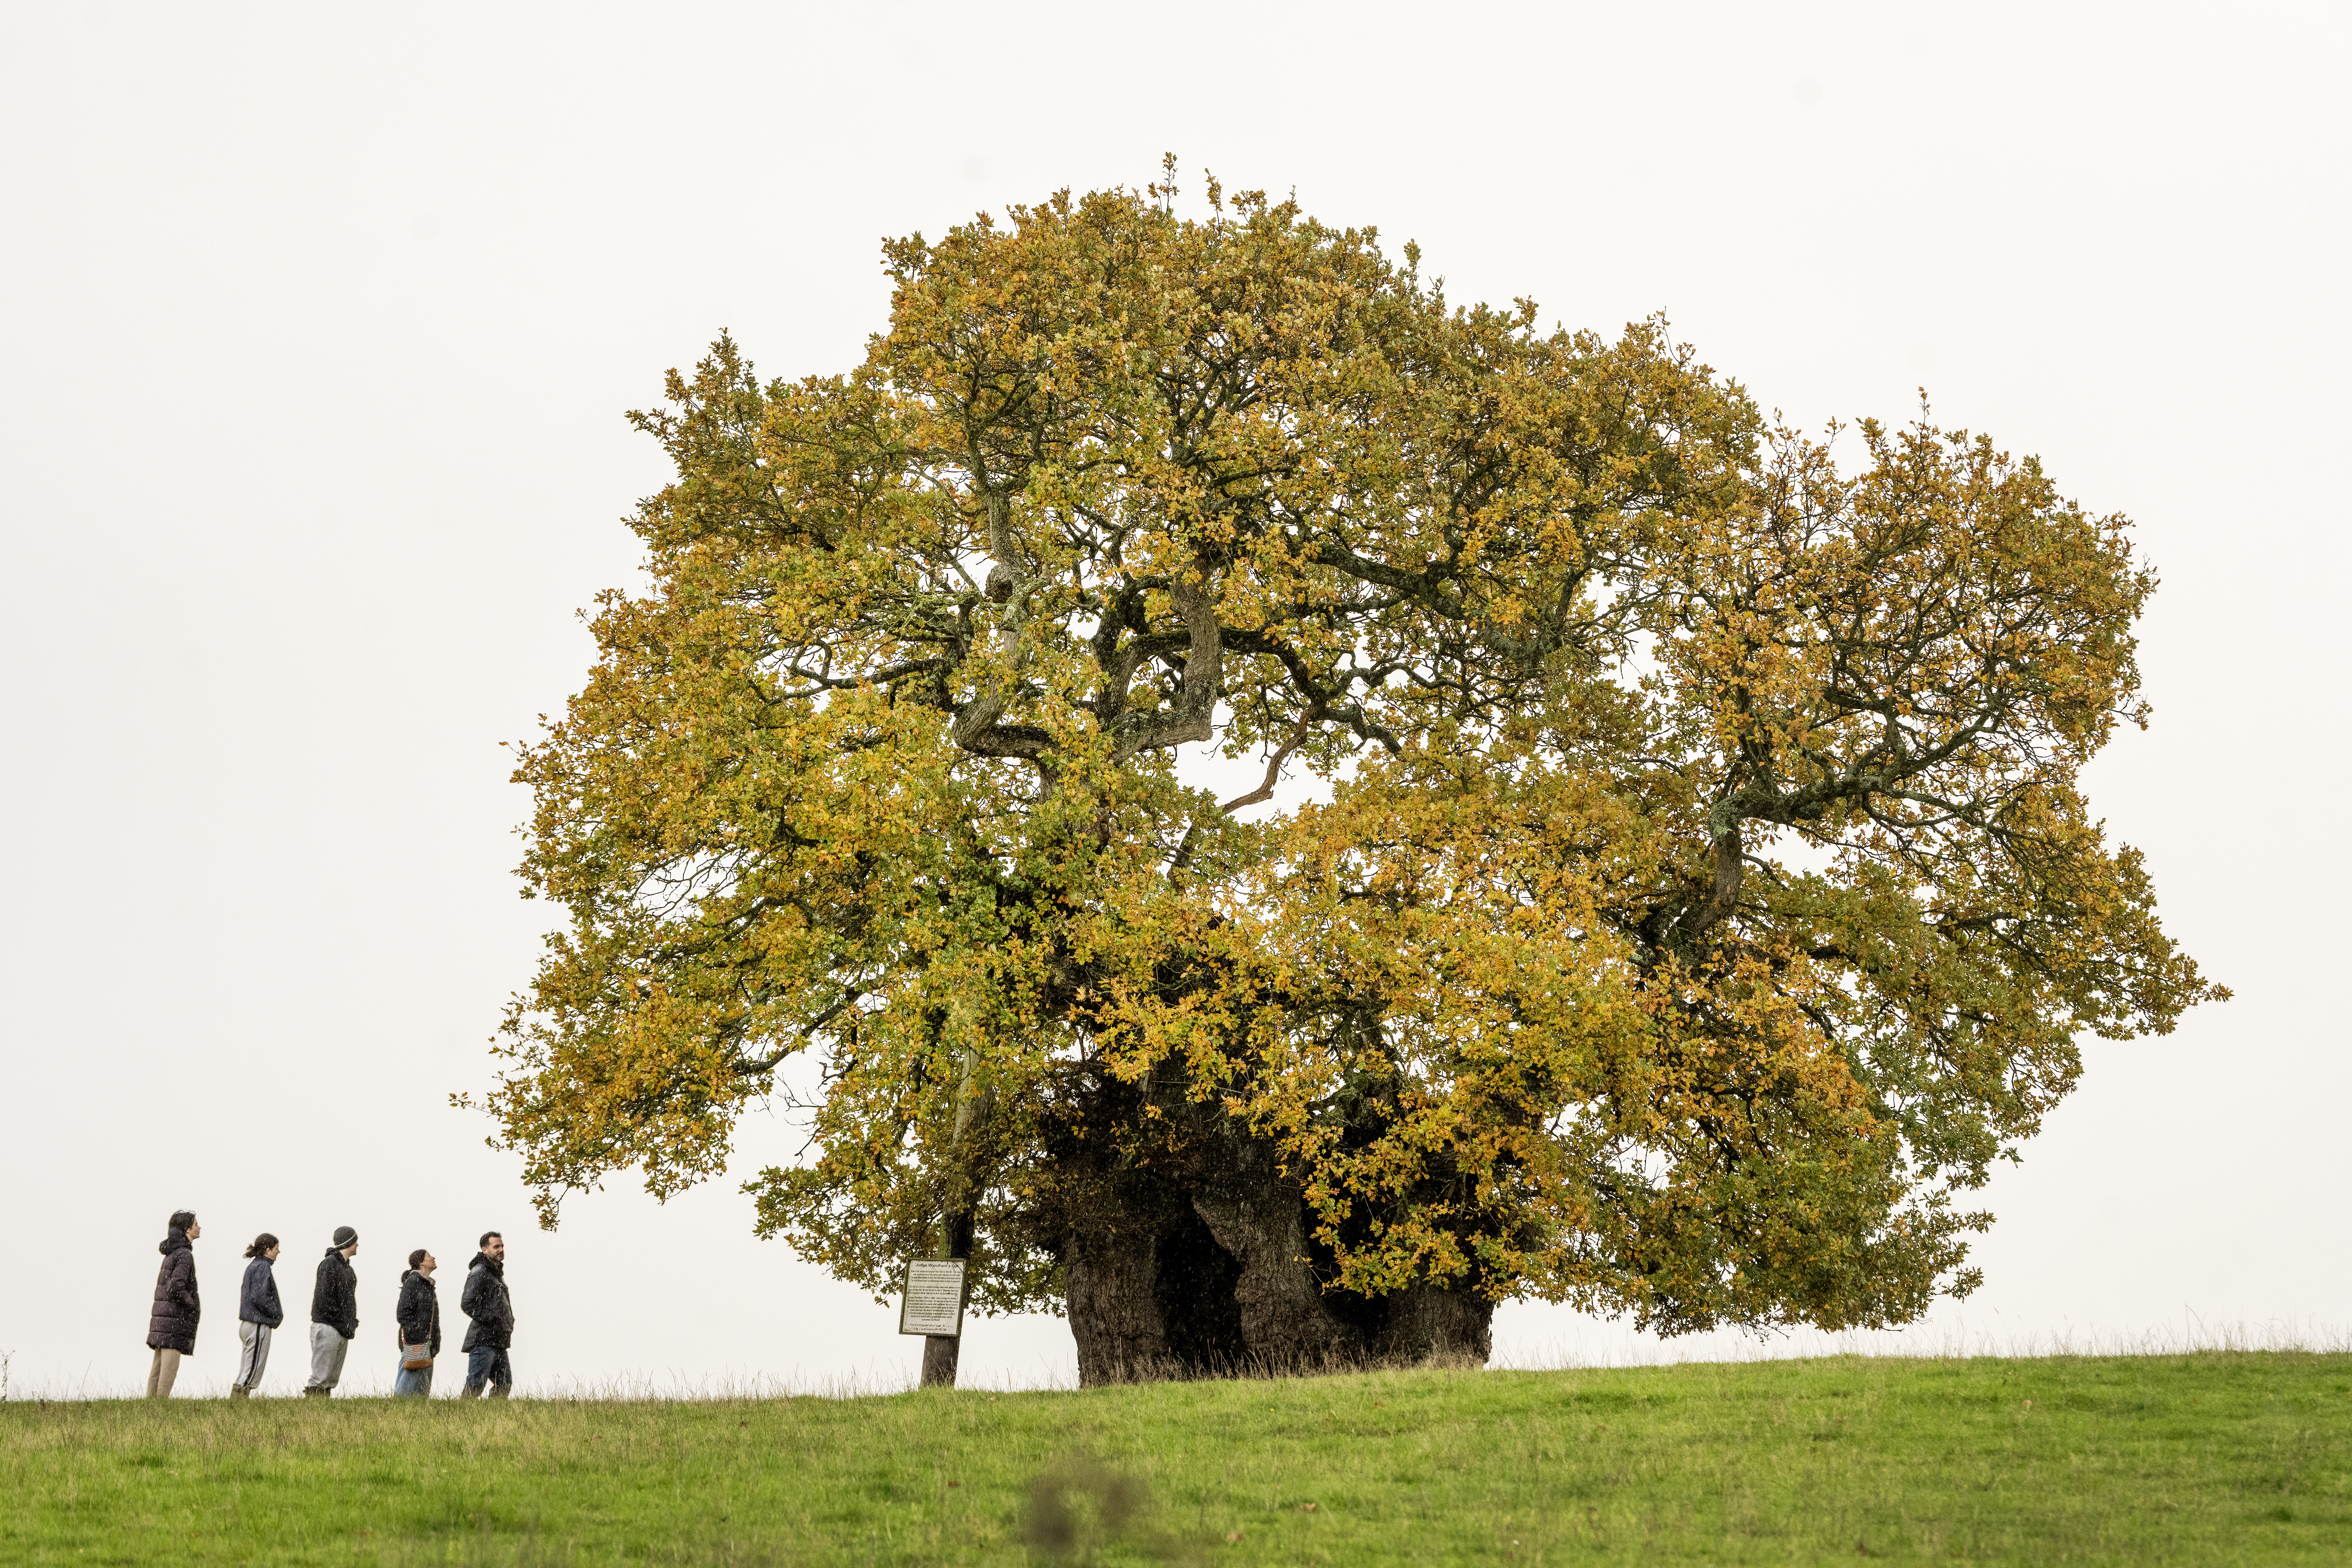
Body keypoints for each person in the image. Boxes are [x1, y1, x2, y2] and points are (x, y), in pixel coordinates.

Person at [145, 1210, 202, 1399]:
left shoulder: (172, 1254)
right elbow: (175, 1286)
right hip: (174, 1322)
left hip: (163, 1322)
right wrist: (192, 1304)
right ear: (187, 1229)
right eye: (195, 1224)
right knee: (168, 1373)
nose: (199, 1227)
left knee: (157, 1370)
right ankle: (159, 1410)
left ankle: (149, 1407)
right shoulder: (185, 1254)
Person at [304, 1226, 360, 1397]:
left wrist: (350, 1324)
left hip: (340, 1328)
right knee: (321, 1378)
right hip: (328, 1327)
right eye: (355, 1241)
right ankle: (311, 1413)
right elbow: (324, 1299)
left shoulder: (348, 1269)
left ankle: (323, 1415)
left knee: (330, 1380)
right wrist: (344, 1322)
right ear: (349, 1242)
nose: (358, 1244)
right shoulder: (329, 1264)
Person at [458, 1230, 515, 1400]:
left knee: (504, 1383)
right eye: (496, 1247)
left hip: (498, 1339)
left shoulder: (495, 1274)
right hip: (483, 1339)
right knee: (476, 1384)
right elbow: (467, 1303)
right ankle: (458, 1416)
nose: (501, 1250)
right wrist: (492, 1319)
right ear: (485, 1250)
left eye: (502, 1246)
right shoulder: (480, 1272)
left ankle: (493, 1417)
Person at [231, 1233, 283, 1400]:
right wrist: (277, 1314)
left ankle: (237, 1405)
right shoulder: (262, 1267)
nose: (279, 1252)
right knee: (252, 1369)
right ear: (268, 1250)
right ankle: (237, 1405)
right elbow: (259, 1296)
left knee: (248, 1366)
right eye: (276, 1248)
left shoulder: (256, 1266)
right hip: (257, 1325)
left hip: (250, 1324)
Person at [393, 1248, 441, 1398]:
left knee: (421, 1395)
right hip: (416, 1345)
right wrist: (417, 1339)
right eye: (429, 1256)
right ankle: (396, 1418)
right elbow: (403, 1314)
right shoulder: (414, 1282)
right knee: (406, 1390)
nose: (433, 1258)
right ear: (421, 1262)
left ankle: (418, 1419)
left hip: (427, 1345)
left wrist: (432, 1342)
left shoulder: (427, 1285)